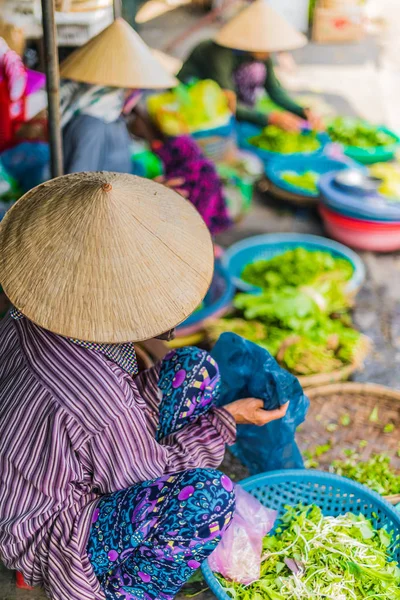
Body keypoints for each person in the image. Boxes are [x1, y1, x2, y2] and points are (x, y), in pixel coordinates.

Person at [0, 172, 288, 600]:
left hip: (39, 461)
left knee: (194, 370)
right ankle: (124, 591)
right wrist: (227, 421)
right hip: (40, 525)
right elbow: (153, 475)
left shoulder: (26, 314)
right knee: (207, 498)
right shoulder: (101, 399)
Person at [178, 0, 323, 132]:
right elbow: (227, 102)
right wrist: (269, 118)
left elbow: (274, 89)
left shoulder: (261, 52)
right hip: (193, 101)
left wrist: (302, 111)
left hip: (232, 102)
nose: (270, 51)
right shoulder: (220, 54)